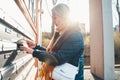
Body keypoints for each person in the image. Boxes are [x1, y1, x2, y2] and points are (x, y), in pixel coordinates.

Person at [20, 3, 84, 80]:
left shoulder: (75, 36)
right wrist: (36, 47)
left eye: (55, 18)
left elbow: (57, 58)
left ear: (64, 17)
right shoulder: (62, 33)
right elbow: (52, 53)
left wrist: (34, 52)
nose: (53, 21)